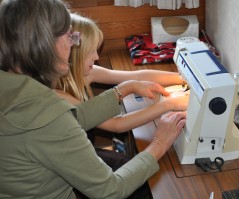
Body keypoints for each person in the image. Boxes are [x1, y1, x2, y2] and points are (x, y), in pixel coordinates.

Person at [0, 0, 186, 199]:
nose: (73, 43)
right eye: (69, 36)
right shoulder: (47, 117)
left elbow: (74, 116)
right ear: (45, 45)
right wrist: (160, 141)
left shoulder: (13, 87)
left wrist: (122, 90)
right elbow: (110, 191)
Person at [56, 13, 188, 134]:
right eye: (91, 51)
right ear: (72, 54)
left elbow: (137, 76)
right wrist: (169, 104)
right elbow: (117, 125)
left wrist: (184, 78)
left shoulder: (85, 72)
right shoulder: (61, 97)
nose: (96, 57)